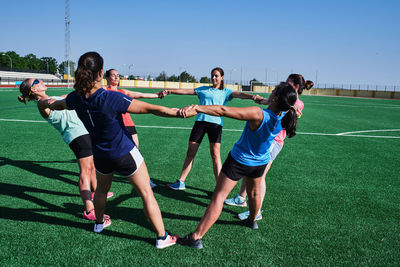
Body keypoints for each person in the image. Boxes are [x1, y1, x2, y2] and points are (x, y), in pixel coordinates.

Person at [46, 52, 182, 249]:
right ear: (101, 73)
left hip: (100, 156)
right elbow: (151, 109)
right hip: (125, 153)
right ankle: (162, 237)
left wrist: (45, 103)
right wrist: (178, 113)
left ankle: (99, 224)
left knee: (100, 191)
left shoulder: (75, 98)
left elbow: (57, 105)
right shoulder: (110, 97)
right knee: (146, 194)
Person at [177, 82, 298, 249]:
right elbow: (275, 106)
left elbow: (223, 110)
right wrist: (267, 102)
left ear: (275, 97)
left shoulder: (258, 114)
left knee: (219, 197)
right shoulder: (285, 115)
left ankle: (195, 237)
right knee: (254, 193)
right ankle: (252, 221)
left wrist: (198, 107)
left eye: (273, 92)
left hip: (239, 160)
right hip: (260, 161)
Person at [17, 78, 113, 222]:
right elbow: (56, 103)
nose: (41, 81)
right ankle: (89, 209)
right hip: (76, 136)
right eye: (37, 81)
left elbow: (69, 96)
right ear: (34, 90)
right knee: (85, 170)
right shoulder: (42, 103)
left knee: (91, 165)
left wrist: (87, 87)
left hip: (84, 133)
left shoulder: (53, 98)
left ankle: (94, 192)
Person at [224, 74, 314, 221]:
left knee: (260, 176)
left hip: (274, 141)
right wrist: (266, 100)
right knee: (251, 170)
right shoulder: (286, 98)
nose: (285, 85)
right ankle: (241, 197)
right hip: (266, 139)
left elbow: (290, 110)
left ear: (296, 87)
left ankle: (256, 211)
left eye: (288, 83)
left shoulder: (296, 102)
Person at [158, 67, 261, 190]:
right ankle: (181, 182)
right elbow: (185, 91)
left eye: (216, 76)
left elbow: (239, 94)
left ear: (222, 77)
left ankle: (219, 186)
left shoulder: (226, 92)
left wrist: (252, 97)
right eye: (212, 75)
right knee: (190, 152)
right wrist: (169, 91)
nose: (213, 78)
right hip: (200, 123)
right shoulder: (203, 90)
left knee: (215, 155)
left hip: (215, 125)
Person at [105, 68, 159, 188]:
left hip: (128, 124)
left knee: (136, 152)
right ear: (107, 78)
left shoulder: (122, 91)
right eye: (113, 75)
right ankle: (106, 175)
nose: (116, 77)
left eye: (118, 75)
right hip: (115, 125)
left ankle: (145, 180)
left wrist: (157, 95)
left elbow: (140, 95)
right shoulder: (104, 91)